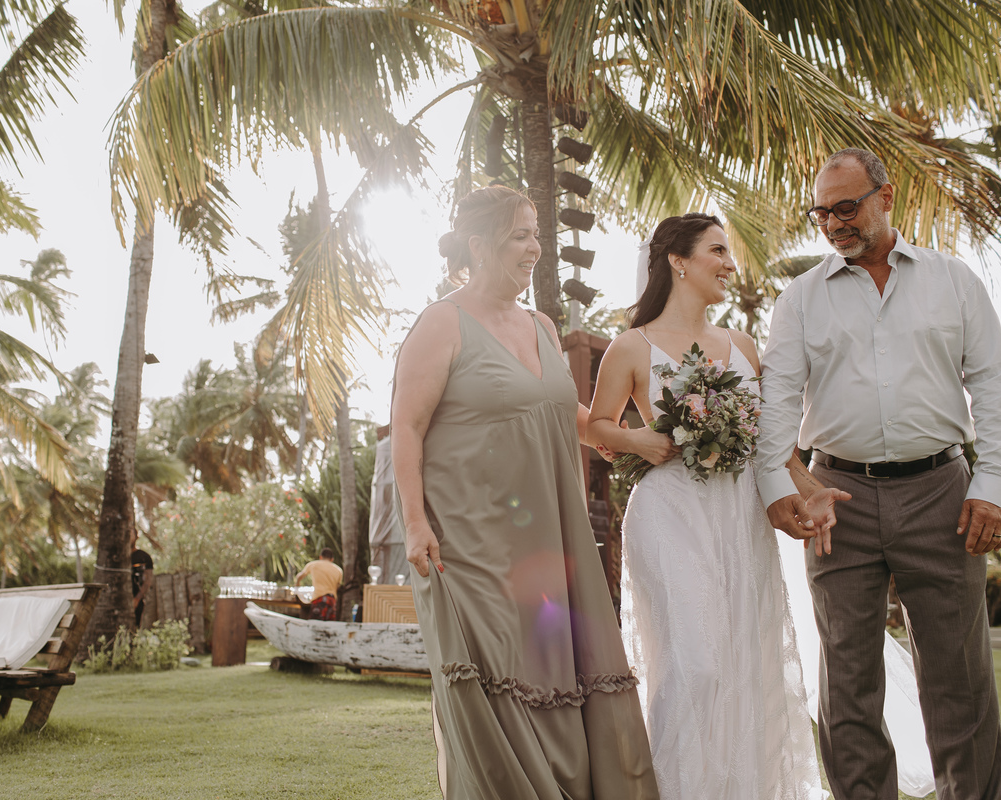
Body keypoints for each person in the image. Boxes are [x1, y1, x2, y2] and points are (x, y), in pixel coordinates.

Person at [756, 148, 1001, 800]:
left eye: (846, 208)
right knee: (847, 679)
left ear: (886, 196)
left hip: (943, 494)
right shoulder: (800, 299)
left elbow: (994, 387)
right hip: (836, 497)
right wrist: (778, 488)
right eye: (822, 213)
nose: (833, 223)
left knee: (960, 678)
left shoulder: (954, 281)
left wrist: (993, 487)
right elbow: (777, 404)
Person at [391, 185, 658, 799]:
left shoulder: (541, 325)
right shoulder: (441, 323)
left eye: (537, 234)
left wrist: (631, 440)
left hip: (548, 539)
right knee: (496, 679)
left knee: (555, 671)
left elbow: (565, 411)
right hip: (467, 543)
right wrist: (414, 520)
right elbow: (406, 426)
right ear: (479, 244)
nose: (536, 247)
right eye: (520, 235)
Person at [587, 213, 840, 800]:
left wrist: (809, 488)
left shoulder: (743, 346)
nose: (730, 264)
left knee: (745, 663)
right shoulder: (632, 346)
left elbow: (771, 443)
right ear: (678, 260)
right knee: (693, 665)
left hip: (740, 515)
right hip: (668, 513)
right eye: (718, 250)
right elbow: (597, 423)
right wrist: (639, 440)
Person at [295, 548, 343, 621]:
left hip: (319, 599)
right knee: (329, 625)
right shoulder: (339, 570)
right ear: (332, 559)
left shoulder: (313, 565)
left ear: (320, 557)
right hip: (332, 601)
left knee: (315, 624)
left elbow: (299, 576)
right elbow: (337, 586)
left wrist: (297, 585)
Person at [130, 534, 154, 629]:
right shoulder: (115, 557)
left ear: (136, 536)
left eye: (130, 533)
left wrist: (137, 599)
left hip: (137, 600)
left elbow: (148, 581)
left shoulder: (144, 557)